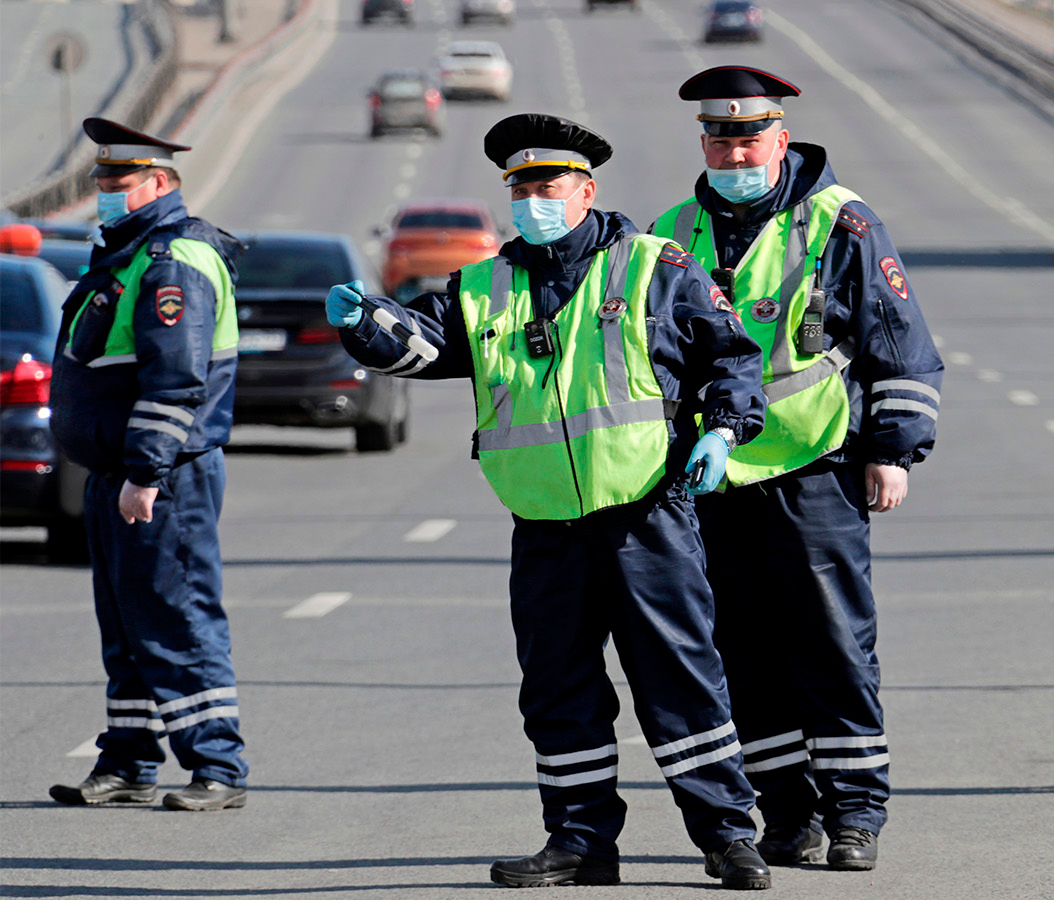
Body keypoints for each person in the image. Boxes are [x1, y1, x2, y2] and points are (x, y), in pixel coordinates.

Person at [326, 113, 774, 890]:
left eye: (549, 185)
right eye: (523, 186)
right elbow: (426, 347)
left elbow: (730, 355)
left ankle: (729, 837)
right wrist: (370, 324)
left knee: (680, 681)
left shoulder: (653, 266)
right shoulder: (484, 282)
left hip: (645, 518)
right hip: (544, 530)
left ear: (585, 191)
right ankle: (579, 842)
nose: (534, 198)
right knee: (559, 691)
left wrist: (725, 430)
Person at [651, 67, 944, 869]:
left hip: (817, 465)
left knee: (833, 643)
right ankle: (786, 813)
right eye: (720, 138)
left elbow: (901, 343)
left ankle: (855, 814)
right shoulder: (671, 233)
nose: (735, 152)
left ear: (781, 139)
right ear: (703, 142)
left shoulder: (840, 224)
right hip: (711, 478)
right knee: (742, 652)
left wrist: (891, 451)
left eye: (750, 139)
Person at [47, 118, 250, 811]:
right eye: (100, 179)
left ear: (160, 183)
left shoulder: (172, 261)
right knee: (126, 621)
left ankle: (218, 766)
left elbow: (175, 381)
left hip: (164, 475)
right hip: (119, 470)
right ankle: (130, 760)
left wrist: (145, 475)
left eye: (118, 181)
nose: (105, 191)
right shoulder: (127, 253)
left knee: (177, 612)